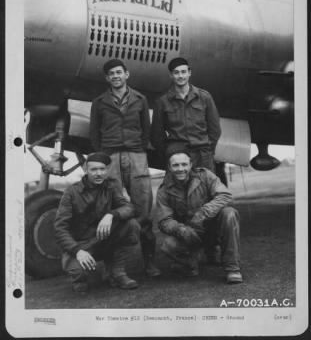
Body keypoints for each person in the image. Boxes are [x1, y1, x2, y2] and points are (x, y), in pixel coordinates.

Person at [89, 59, 160, 277]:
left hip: (137, 155)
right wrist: (104, 156)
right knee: (111, 210)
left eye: (119, 72)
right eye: (111, 73)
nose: (116, 76)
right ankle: (114, 267)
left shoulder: (140, 99)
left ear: (127, 74)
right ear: (107, 78)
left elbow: (146, 130)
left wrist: (139, 150)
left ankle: (149, 262)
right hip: (111, 157)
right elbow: (94, 134)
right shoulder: (99, 103)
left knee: (144, 212)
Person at [54, 152, 141, 294]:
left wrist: (111, 214)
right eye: (94, 169)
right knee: (80, 276)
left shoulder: (110, 188)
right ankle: (80, 279)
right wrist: (77, 251)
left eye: (102, 169)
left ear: (107, 170)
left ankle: (117, 272)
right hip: (81, 245)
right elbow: (60, 228)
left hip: (102, 239)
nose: (98, 173)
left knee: (131, 225)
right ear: (85, 170)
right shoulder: (71, 192)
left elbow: (130, 208)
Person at [156, 144, 243, 284]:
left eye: (184, 164)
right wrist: (180, 229)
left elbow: (225, 195)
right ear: (169, 167)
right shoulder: (163, 190)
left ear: (191, 164)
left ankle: (232, 268)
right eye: (176, 165)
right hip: (190, 233)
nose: (180, 169)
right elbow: (164, 220)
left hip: (211, 227)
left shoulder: (205, 175)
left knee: (229, 214)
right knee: (169, 244)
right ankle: (190, 262)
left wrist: (203, 213)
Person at [151, 57, 221, 173]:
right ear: (171, 75)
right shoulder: (162, 102)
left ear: (189, 73)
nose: (180, 76)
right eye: (176, 73)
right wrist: (170, 153)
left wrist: (208, 150)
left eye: (183, 72)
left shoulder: (204, 97)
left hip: (203, 157)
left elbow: (215, 129)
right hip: (178, 158)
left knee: (204, 189)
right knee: (178, 190)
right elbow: (157, 135)